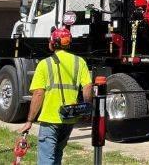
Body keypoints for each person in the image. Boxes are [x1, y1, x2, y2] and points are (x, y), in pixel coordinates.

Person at [18, 27, 93, 164]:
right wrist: (87, 108)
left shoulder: (44, 64)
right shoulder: (79, 62)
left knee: (46, 158)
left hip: (50, 119)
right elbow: (88, 87)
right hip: (69, 117)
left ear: (53, 43)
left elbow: (39, 94)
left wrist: (29, 120)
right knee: (58, 154)